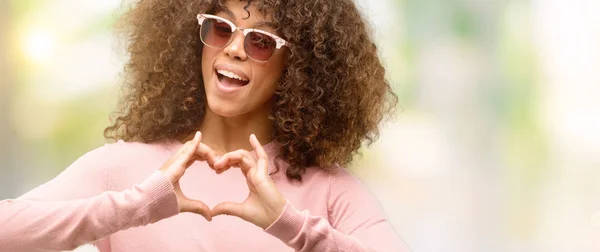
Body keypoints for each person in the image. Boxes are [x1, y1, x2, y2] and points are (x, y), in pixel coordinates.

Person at [0, 0, 410, 251]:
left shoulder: (331, 191)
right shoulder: (123, 170)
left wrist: (290, 225)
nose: (234, 48)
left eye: (261, 41)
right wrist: (135, 207)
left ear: (301, 67)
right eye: (221, 27)